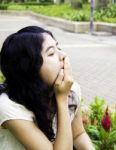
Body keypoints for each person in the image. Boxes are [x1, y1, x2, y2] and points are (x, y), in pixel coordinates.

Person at [0, 26, 95, 150]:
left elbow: (78, 135)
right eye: (51, 53)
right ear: (30, 69)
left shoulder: (70, 90)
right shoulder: (9, 106)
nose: (63, 55)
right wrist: (62, 98)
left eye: (58, 48)